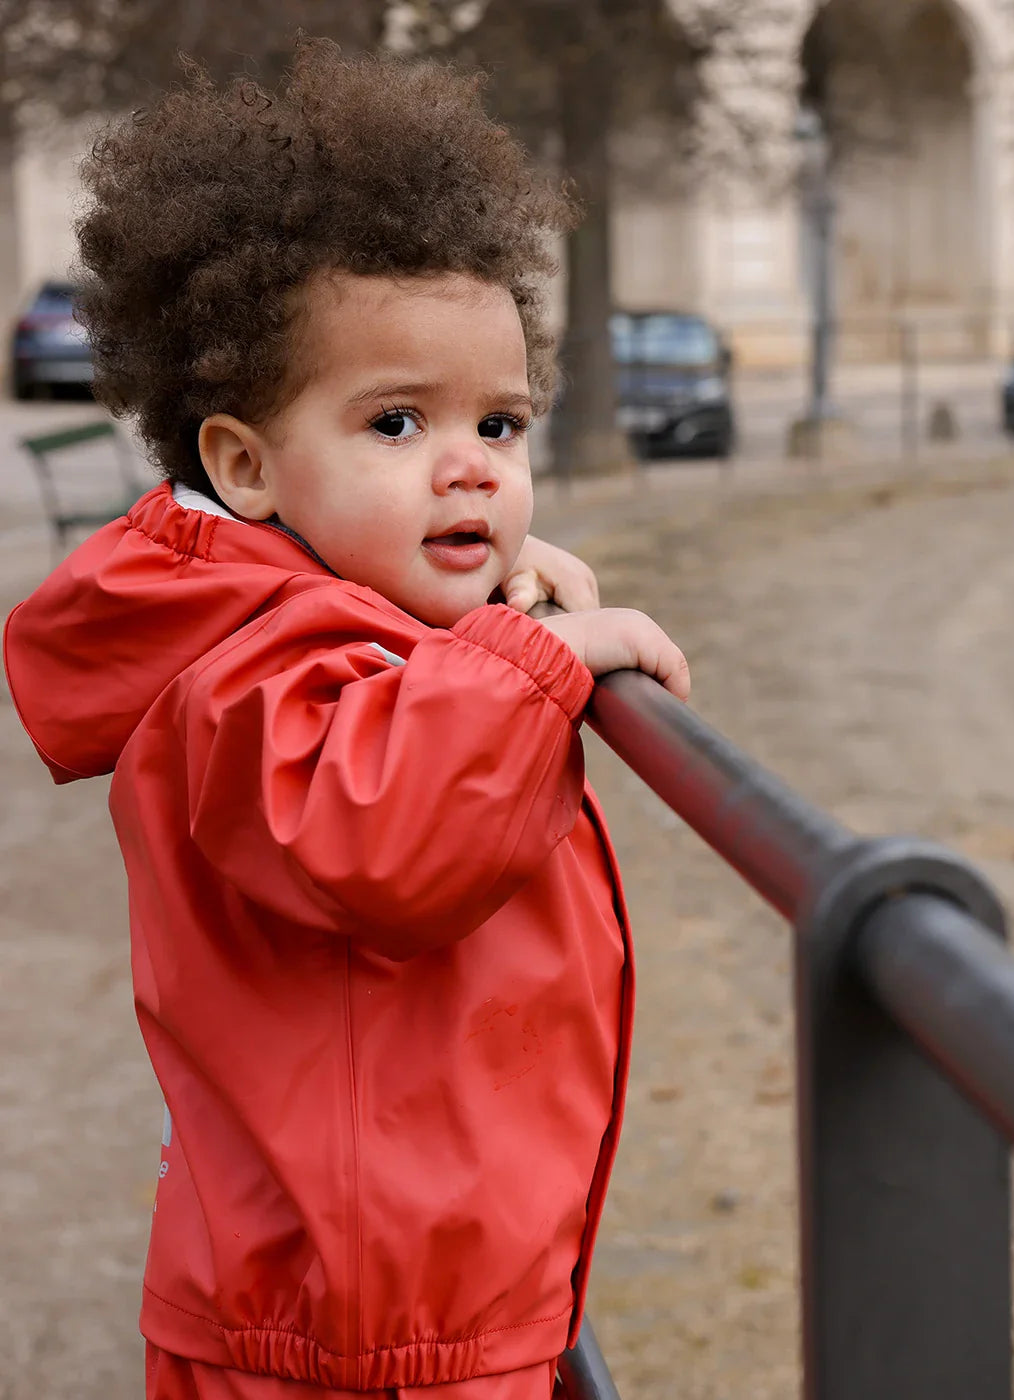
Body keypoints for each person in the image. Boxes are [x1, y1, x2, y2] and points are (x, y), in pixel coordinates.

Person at [2, 39, 688, 1400]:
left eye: (500, 425)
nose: (468, 469)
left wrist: (504, 623)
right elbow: (383, 832)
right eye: (393, 423)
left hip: (398, 1305)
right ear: (246, 466)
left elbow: (413, 706)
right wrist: (538, 663)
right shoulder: (244, 672)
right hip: (346, 1342)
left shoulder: (325, 623)